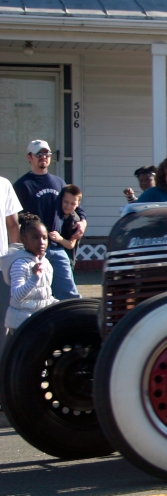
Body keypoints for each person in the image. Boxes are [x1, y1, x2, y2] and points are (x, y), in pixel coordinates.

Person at [13, 140, 84, 300]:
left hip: (56, 248)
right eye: (39, 154)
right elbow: (13, 219)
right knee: (35, 296)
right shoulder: (22, 185)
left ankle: (74, 324)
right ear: (29, 157)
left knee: (69, 294)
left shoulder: (59, 182)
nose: (43, 157)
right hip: (31, 251)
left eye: (47, 154)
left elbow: (76, 205)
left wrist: (82, 221)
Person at [1, 214, 58, 333]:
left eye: (44, 237)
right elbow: (16, 297)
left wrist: (60, 305)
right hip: (21, 327)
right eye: (35, 238)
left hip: (39, 322)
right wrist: (34, 278)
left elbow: (44, 296)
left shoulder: (46, 263)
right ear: (23, 240)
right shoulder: (19, 264)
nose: (41, 242)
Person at [0, 174, 22, 352]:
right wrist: (16, 257)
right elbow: (13, 225)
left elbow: (14, 225)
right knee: (2, 322)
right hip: (2, 264)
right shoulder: (3, 184)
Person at [48, 184, 83, 269]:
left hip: (67, 260)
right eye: (66, 202)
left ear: (78, 204)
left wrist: (59, 238)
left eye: (72, 204)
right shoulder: (56, 214)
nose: (68, 206)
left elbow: (71, 244)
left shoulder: (75, 220)